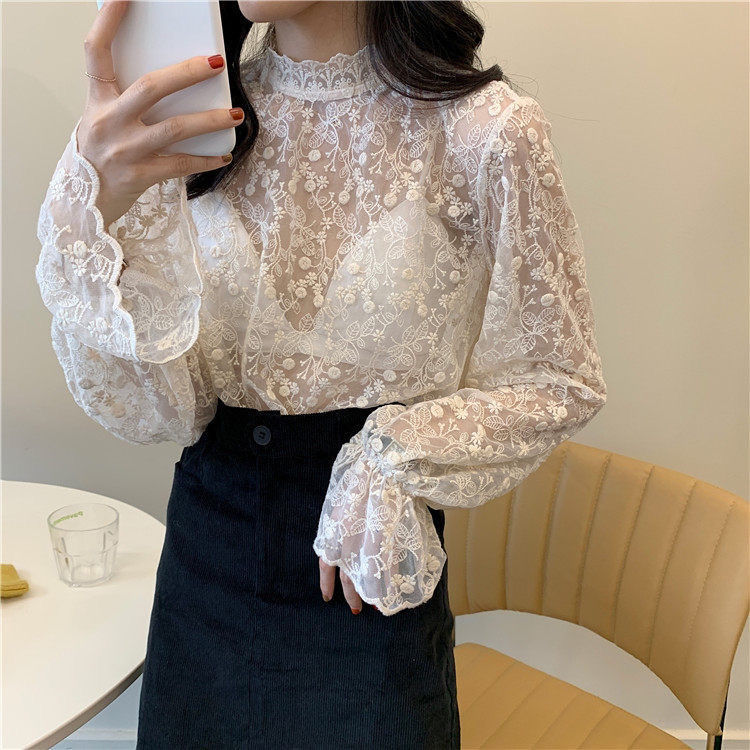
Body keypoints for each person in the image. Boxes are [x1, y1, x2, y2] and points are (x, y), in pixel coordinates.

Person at [34, 1, 608, 747]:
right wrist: (97, 210)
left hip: (361, 575)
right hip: (206, 563)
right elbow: (168, 411)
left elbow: (559, 376)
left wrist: (392, 453)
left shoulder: (486, 131)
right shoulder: (190, 122)